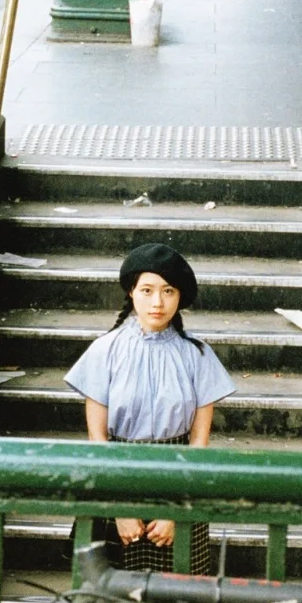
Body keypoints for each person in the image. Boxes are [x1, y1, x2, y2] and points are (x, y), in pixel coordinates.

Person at [64, 243, 235, 573]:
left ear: (179, 296)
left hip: (179, 477)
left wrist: (176, 511)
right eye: (147, 290)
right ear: (132, 292)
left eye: (168, 291)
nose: (157, 302)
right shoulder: (105, 351)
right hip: (116, 476)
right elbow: (97, 438)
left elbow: (199, 443)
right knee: (113, 602)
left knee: (179, 599)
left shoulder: (198, 355)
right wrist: (118, 509)